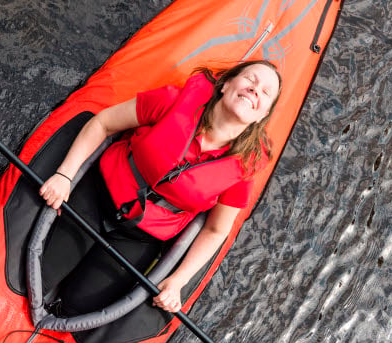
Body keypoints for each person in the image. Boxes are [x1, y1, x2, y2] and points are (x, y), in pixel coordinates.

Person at [38, 60, 281, 316]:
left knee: (77, 306)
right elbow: (103, 124)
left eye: (265, 92)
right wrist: (64, 175)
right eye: (251, 80)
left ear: (263, 114)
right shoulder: (173, 100)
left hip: (141, 236)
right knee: (43, 274)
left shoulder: (244, 168)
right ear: (226, 84)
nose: (255, 90)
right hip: (98, 196)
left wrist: (179, 280)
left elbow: (215, 229)